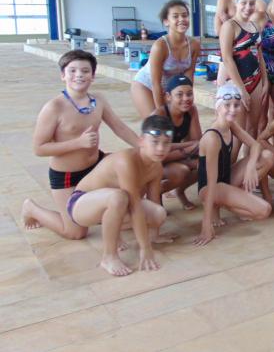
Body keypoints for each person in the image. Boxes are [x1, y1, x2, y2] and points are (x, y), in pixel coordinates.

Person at [22, 50, 142, 241]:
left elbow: (119, 127)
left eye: (85, 71)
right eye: (72, 71)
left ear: (93, 76)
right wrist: (78, 143)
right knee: (75, 232)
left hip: (95, 167)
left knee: (133, 179)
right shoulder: (54, 108)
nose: (79, 75)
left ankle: (102, 215)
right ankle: (32, 208)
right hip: (67, 175)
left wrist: (142, 146)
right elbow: (39, 148)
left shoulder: (99, 101)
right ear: (63, 75)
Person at [65, 115, 173, 276]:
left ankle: (115, 231)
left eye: (166, 143)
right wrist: (145, 248)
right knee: (119, 197)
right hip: (81, 203)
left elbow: (154, 201)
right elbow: (135, 206)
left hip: (113, 204)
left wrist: (153, 236)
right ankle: (109, 256)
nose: (160, 149)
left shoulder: (156, 166)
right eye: (155, 142)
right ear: (142, 140)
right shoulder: (126, 161)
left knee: (158, 213)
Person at [193, 84, 274, 246]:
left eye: (236, 105)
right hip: (210, 188)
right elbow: (210, 181)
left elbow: (256, 145)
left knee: (267, 156)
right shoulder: (212, 138)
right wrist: (206, 224)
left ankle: (234, 198)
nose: (232, 109)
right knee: (263, 211)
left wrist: (251, 166)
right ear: (218, 107)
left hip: (225, 180)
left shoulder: (231, 125)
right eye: (227, 105)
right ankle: (219, 205)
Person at [131, 0, 200, 118]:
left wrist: (186, 99)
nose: (182, 19)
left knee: (181, 123)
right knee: (158, 126)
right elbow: (155, 83)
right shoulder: (160, 46)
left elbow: (188, 78)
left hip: (170, 88)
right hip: (146, 85)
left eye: (185, 15)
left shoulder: (194, 45)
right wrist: (162, 112)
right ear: (166, 21)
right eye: (175, 16)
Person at [218, 0, 267, 139]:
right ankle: (232, 162)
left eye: (251, 3)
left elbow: (260, 56)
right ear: (236, 4)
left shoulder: (254, 25)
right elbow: (227, 58)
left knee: (253, 127)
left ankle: (248, 162)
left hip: (256, 80)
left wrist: (265, 82)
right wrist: (242, 90)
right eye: (244, 3)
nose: (248, 7)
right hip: (237, 83)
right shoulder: (229, 26)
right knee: (238, 132)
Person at [153, 74, 202, 210]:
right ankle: (155, 193)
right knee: (181, 171)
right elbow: (157, 154)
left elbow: (198, 143)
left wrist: (189, 148)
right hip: (154, 163)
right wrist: (186, 148)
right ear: (168, 97)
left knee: (204, 163)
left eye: (189, 94)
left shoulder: (191, 111)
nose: (186, 99)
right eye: (179, 95)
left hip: (173, 156)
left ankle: (179, 191)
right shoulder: (159, 115)